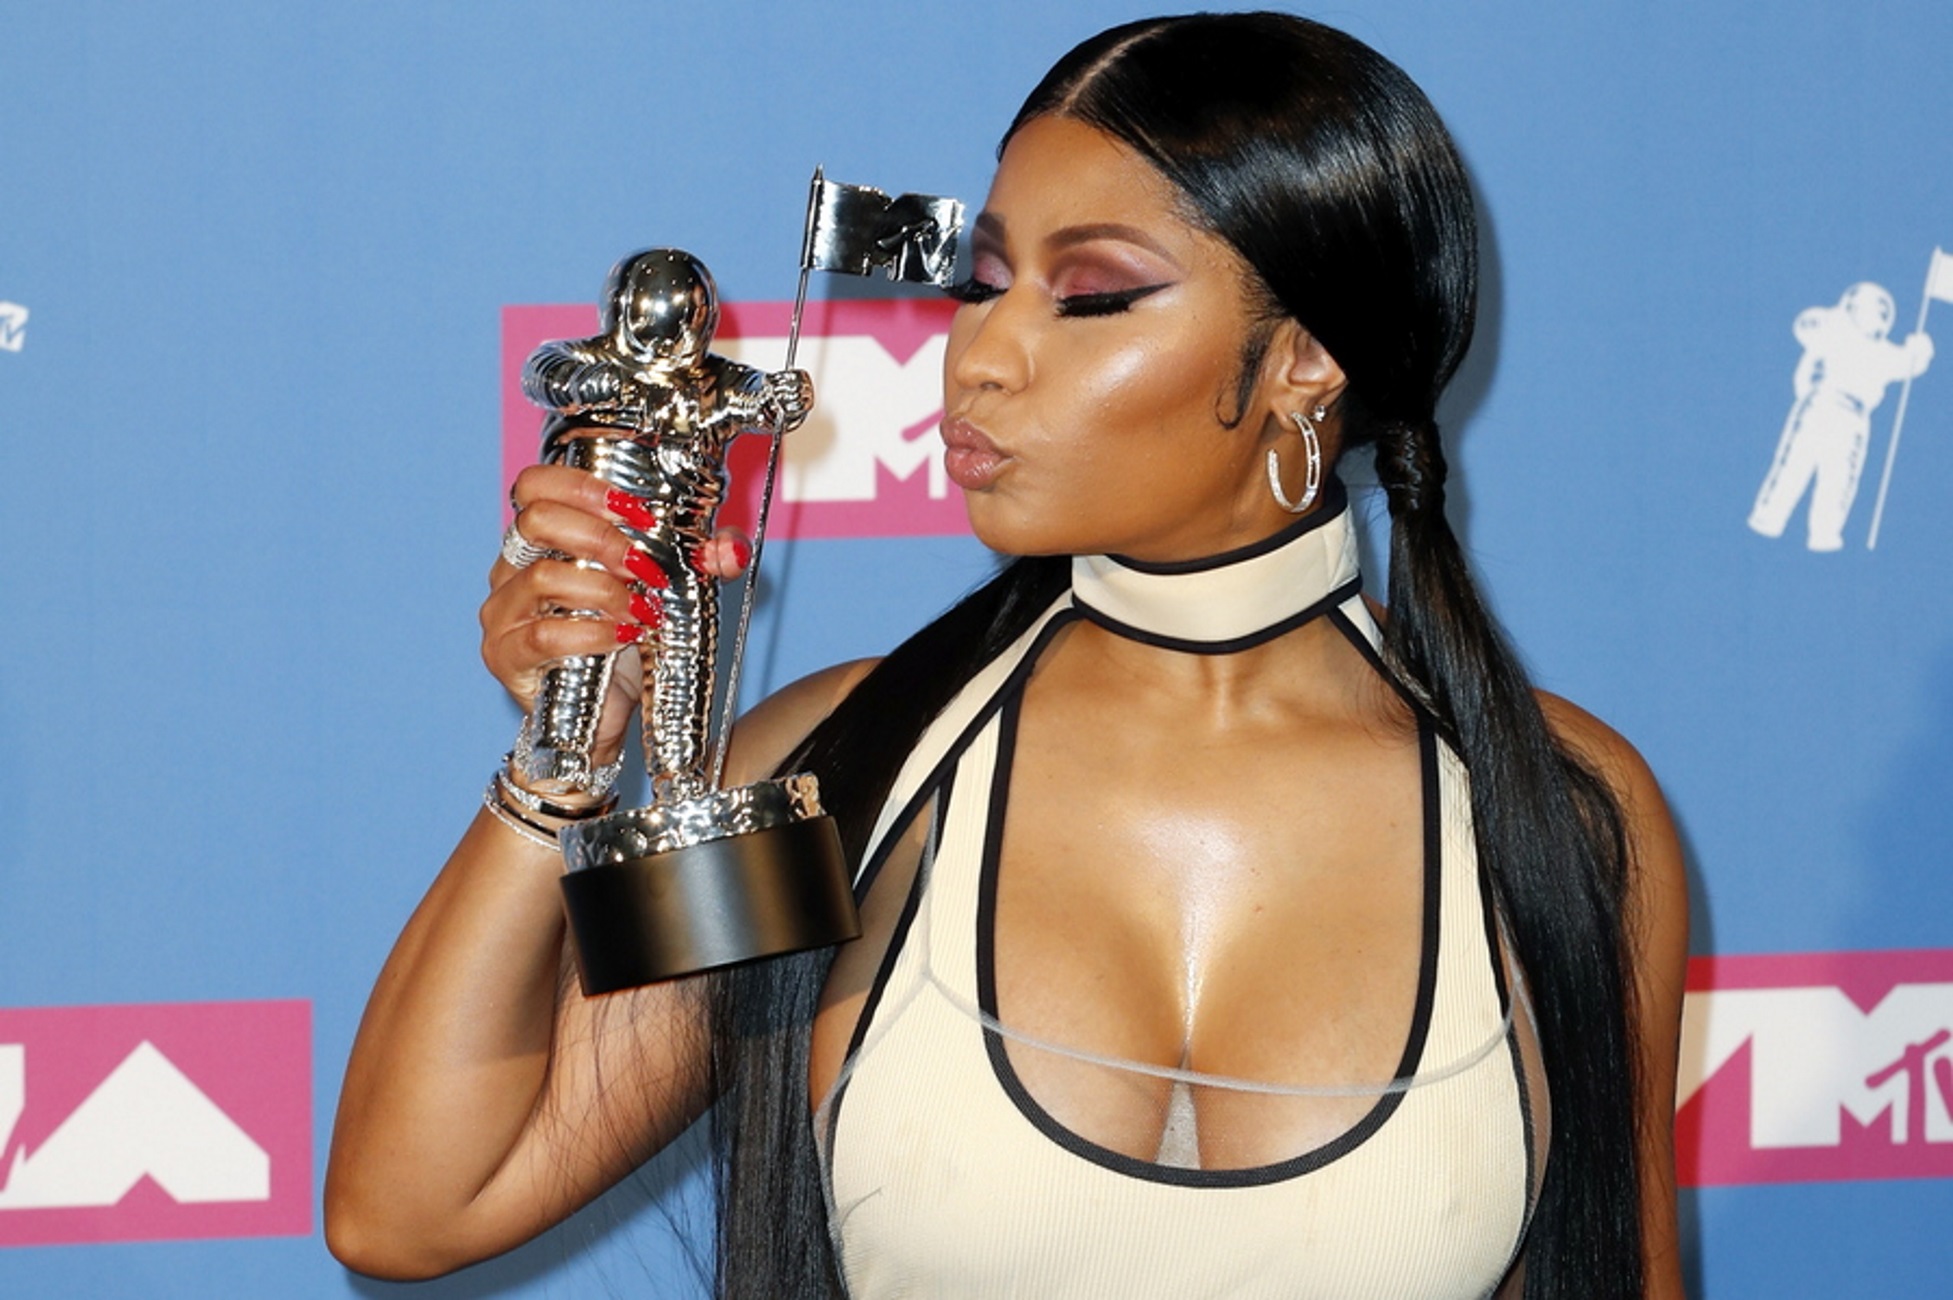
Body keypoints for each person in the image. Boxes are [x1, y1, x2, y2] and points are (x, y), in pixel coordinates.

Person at [325, 13, 1688, 1299]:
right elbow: (418, 1205)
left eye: (1088, 297)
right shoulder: (844, 772)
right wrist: (564, 752)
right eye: (981, 283)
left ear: (1306, 363)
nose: (979, 354)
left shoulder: (1560, 807)